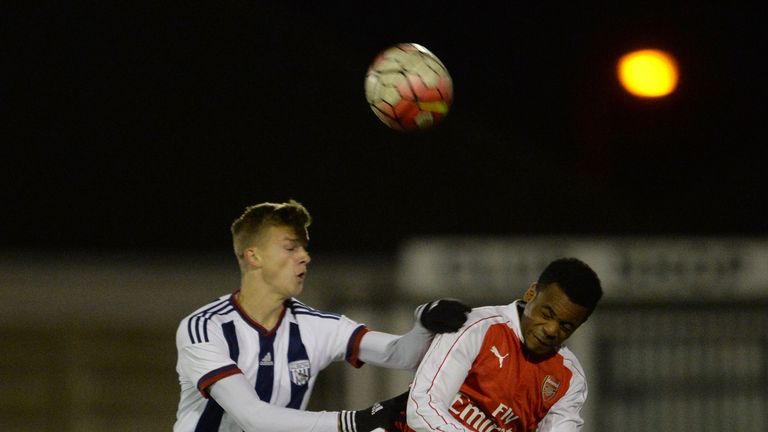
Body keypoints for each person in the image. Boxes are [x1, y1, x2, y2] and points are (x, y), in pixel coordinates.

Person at [173, 199, 470, 432]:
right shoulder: (204, 327)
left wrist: (424, 323)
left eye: (304, 248)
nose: (304, 256)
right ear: (254, 256)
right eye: (290, 247)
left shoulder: (316, 326)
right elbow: (254, 418)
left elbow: (400, 355)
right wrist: (354, 422)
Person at [405, 257, 603, 432]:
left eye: (566, 326)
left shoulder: (569, 378)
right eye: (546, 314)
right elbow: (423, 406)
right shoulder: (478, 327)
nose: (551, 330)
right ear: (531, 293)